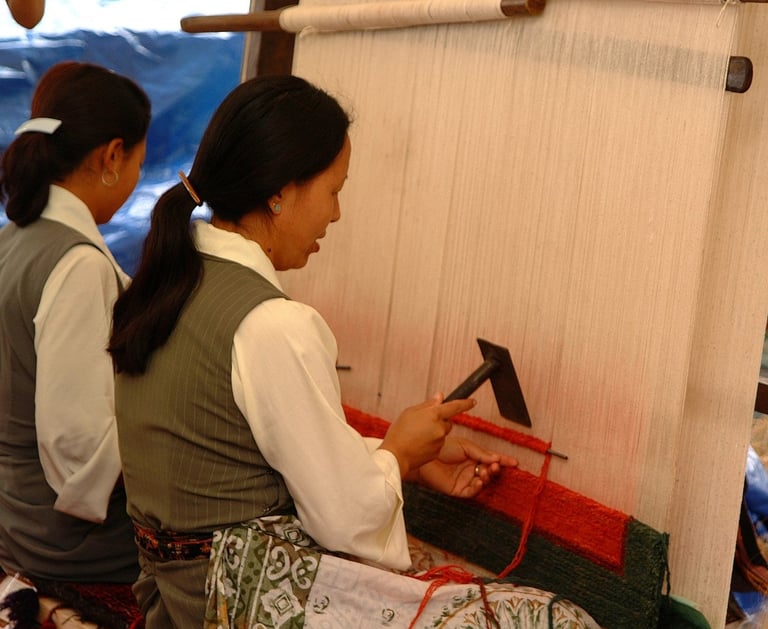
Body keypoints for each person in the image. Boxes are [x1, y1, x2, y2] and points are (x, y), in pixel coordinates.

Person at [108, 75, 599, 629]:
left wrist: (399, 459)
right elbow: (345, 522)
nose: (336, 215)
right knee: (554, 618)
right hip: (236, 608)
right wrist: (398, 457)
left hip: (177, 597)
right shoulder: (271, 323)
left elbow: (239, 449)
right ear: (281, 191)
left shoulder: (166, 286)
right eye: (334, 190)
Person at [0, 61, 151, 589]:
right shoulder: (78, 264)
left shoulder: (13, 238)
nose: (135, 180)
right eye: (137, 162)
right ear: (112, 156)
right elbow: (77, 446)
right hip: (60, 543)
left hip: (13, 514)